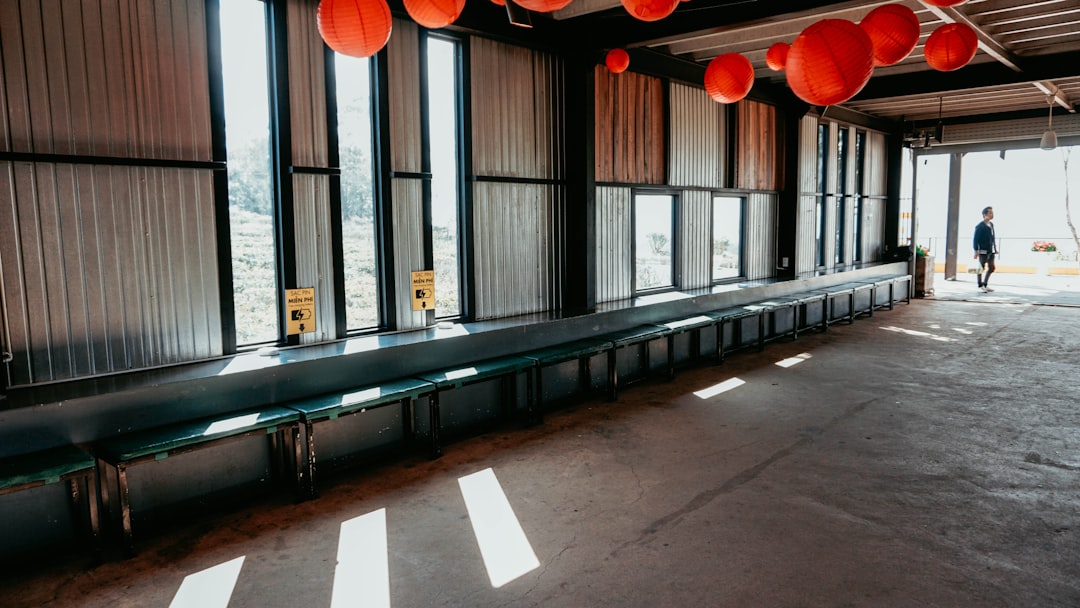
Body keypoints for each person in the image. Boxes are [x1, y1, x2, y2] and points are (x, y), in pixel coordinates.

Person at [972, 206, 997, 292]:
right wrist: (976, 250)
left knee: (992, 268)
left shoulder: (991, 224)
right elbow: (975, 239)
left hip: (991, 250)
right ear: (984, 214)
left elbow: (992, 237)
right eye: (990, 213)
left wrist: (995, 248)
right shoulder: (980, 226)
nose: (992, 214)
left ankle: (985, 284)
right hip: (983, 250)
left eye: (992, 212)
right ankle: (980, 285)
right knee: (980, 268)